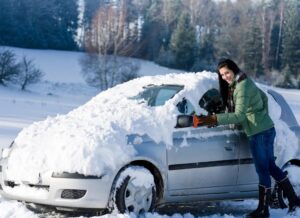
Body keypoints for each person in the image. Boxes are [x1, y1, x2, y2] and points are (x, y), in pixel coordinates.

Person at [193, 59, 300, 218]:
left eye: (227, 73)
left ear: (234, 70)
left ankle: (264, 210)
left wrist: (209, 120)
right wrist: (259, 115)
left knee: (263, 170)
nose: (225, 77)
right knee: (271, 167)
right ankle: (294, 200)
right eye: (222, 75)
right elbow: (263, 99)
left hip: (259, 133)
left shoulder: (242, 87)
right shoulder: (243, 82)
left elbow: (239, 115)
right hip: (265, 129)